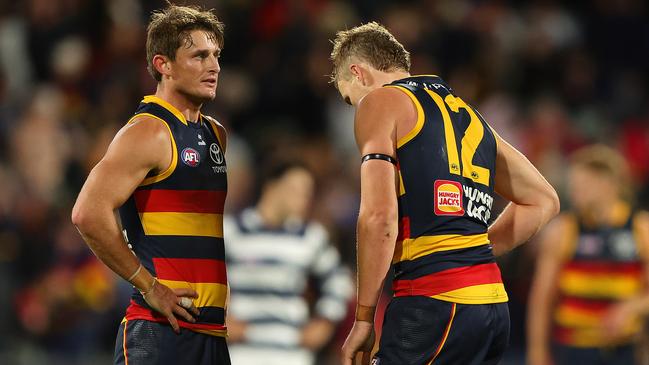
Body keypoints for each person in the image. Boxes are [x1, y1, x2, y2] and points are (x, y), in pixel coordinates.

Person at [329, 22, 560, 365]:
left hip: (433, 304)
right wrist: (471, 254)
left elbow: (378, 217)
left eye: (350, 99)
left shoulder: (380, 101)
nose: (356, 108)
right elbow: (544, 200)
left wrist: (363, 318)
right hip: (492, 309)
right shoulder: (468, 114)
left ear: (358, 73)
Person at [71, 5, 231, 364]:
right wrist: (149, 286)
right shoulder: (148, 131)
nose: (214, 66)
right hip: (158, 333)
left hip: (211, 336)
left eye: (216, 56)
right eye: (199, 56)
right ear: (164, 65)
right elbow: (87, 213)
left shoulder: (215, 133)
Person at [527, 145, 649, 365]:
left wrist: (632, 307)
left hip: (625, 350)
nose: (574, 192)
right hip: (573, 350)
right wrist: (537, 352)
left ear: (609, 184)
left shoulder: (641, 228)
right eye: (573, 185)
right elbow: (541, 299)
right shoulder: (563, 230)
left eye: (583, 185)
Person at [223, 161, 353, 365]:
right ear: (271, 186)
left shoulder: (309, 237)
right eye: (296, 189)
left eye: (307, 193)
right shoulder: (232, 231)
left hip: (292, 355)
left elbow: (339, 281)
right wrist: (219, 320)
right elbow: (199, 279)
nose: (303, 199)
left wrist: (324, 323)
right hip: (240, 354)